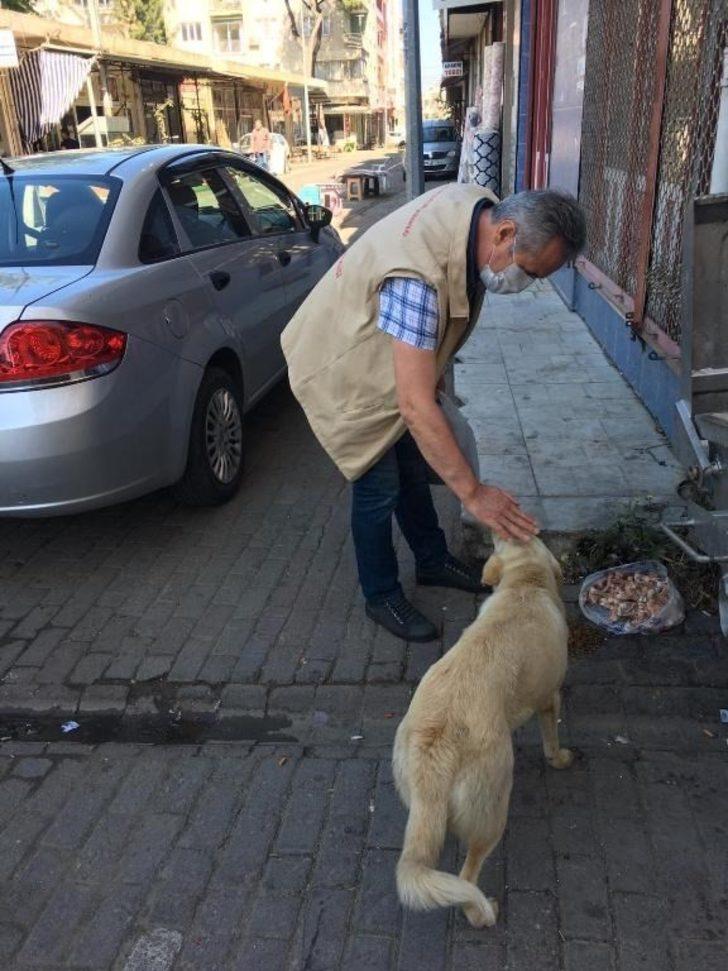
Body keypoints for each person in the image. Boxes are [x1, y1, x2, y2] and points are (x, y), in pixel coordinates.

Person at [281, 186, 587, 642]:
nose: (527, 284)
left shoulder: (476, 208)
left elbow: (429, 353)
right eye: (529, 272)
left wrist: (434, 367)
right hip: (342, 364)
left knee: (409, 461)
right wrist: (473, 492)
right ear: (505, 233)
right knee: (377, 484)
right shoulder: (416, 279)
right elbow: (414, 404)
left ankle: (431, 560)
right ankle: (380, 595)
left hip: (381, 353)